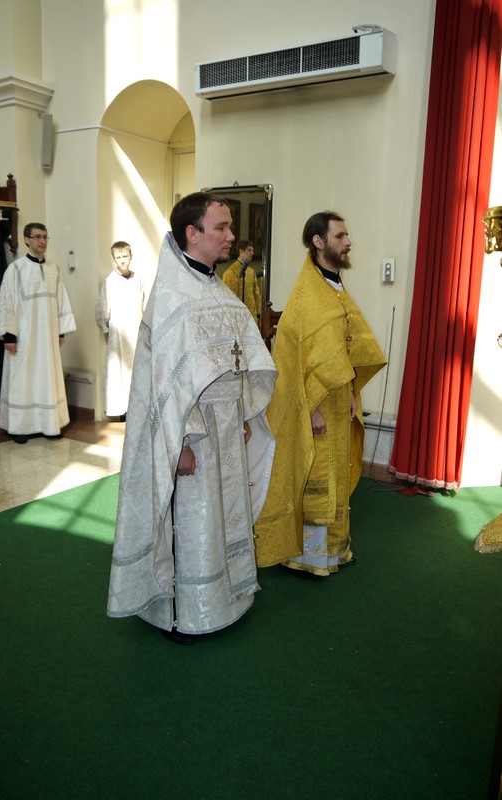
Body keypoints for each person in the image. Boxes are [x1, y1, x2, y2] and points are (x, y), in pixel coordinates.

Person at [107, 193, 277, 643]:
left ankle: (227, 597)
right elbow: (163, 385)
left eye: (229, 227)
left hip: (226, 425)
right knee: (192, 518)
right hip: (192, 435)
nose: (230, 235)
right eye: (221, 227)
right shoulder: (172, 297)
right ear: (192, 233)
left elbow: (238, 359)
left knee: (224, 513)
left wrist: (242, 410)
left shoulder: (216, 288)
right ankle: (184, 614)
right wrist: (179, 442)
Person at [254, 211, 386, 577]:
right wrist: (309, 409)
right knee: (316, 475)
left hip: (340, 400)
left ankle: (335, 550)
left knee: (337, 474)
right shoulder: (307, 295)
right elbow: (293, 361)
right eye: (340, 236)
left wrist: (353, 392)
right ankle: (307, 557)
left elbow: (348, 346)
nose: (348, 242)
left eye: (346, 235)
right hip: (315, 406)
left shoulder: (335, 287)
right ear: (318, 241)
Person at [0, 223, 76, 444]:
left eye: (45, 237)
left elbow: (61, 300)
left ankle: (50, 424)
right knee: (23, 377)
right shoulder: (15, 269)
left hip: (48, 336)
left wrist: (61, 331)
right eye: (37, 237)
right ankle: (20, 426)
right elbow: (5, 302)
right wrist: (9, 336)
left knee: (47, 376)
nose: (42, 241)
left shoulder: (53, 269)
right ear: (26, 240)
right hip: (24, 336)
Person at [95, 240, 147, 421]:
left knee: (137, 371)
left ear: (131, 256)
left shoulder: (138, 279)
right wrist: (107, 329)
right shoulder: (110, 281)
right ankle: (122, 410)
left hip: (137, 332)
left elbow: (144, 303)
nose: (122, 260)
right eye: (118, 257)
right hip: (118, 334)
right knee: (120, 372)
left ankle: (138, 409)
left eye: (125, 256)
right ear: (114, 259)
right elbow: (102, 308)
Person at [222, 239, 262, 324]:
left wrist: (258, 313)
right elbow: (229, 298)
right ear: (241, 251)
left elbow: (256, 294)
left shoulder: (251, 272)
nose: (252, 253)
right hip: (238, 317)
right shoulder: (231, 272)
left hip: (252, 315)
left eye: (253, 250)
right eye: (249, 250)